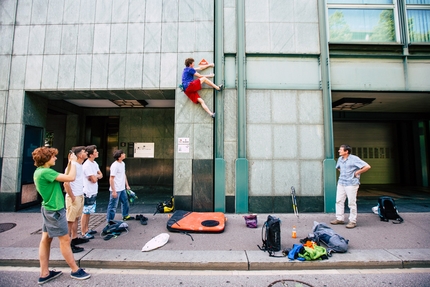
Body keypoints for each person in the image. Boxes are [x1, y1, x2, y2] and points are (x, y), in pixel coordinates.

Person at [32, 147, 91, 284]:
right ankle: (75, 270)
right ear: (46, 159)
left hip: (48, 209)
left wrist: (71, 163)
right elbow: (70, 178)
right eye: (53, 156)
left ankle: (44, 273)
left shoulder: (39, 172)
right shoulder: (47, 172)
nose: (56, 158)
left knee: (45, 240)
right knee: (65, 240)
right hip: (55, 211)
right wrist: (73, 162)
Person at [330, 144, 371, 229]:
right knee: (339, 201)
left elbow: (367, 166)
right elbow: (338, 167)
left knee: (351, 203)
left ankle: (352, 221)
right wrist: (344, 173)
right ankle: (339, 218)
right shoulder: (340, 159)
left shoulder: (354, 159)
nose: (339, 151)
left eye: (341, 150)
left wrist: (357, 173)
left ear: (346, 151)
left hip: (351, 183)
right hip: (341, 182)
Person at [63, 146, 88, 253]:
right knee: (70, 220)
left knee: (76, 218)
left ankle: (74, 238)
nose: (86, 153)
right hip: (74, 197)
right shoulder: (72, 166)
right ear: (78, 155)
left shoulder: (80, 165)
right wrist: (72, 196)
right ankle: (68, 245)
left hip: (80, 195)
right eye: (84, 152)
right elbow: (66, 183)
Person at [80, 145, 103, 239]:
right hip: (87, 191)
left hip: (93, 190)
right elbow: (94, 179)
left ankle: (87, 229)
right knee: (85, 212)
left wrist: (95, 177)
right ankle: (83, 232)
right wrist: (95, 177)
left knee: (89, 212)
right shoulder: (87, 165)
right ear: (90, 155)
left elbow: (100, 175)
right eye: (95, 151)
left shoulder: (94, 163)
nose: (97, 152)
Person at [106, 149, 134, 222]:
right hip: (116, 189)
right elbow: (111, 179)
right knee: (113, 206)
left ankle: (125, 215)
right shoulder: (114, 166)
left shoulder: (122, 163)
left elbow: (123, 174)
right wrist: (114, 191)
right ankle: (109, 221)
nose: (124, 154)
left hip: (122, 188)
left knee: (125, 202)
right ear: (119, 156)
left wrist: (127, 185)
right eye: (123, 154)